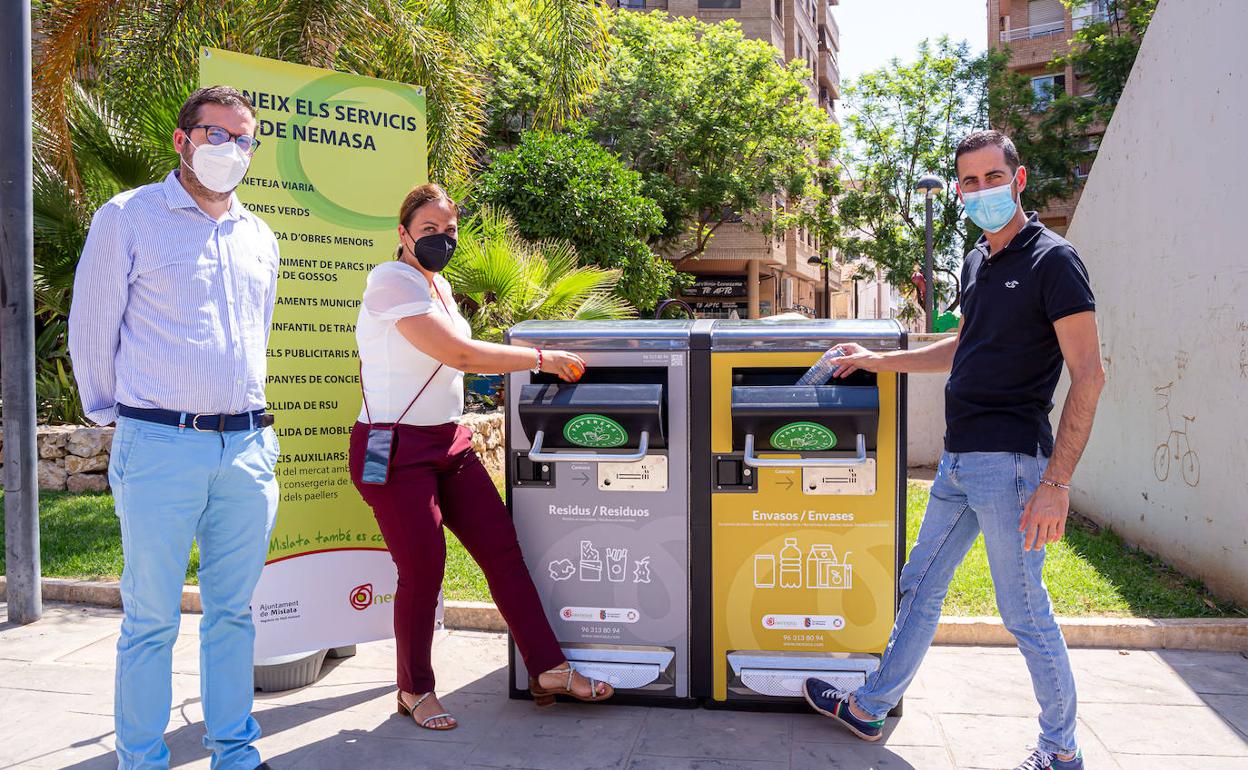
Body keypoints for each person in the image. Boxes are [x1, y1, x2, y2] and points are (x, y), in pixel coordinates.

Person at [802, 130, 1104, 770]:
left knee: (1023, 613)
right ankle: (870, 706)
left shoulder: (1054, 261)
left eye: (992, 178)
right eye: (968, 181)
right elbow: (959, 347)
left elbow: (1090, 374)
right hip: (960, 459)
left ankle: (1061, 750)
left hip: (1014, 464)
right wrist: (881, 361)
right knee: (920, 587)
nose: (980, 190)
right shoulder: (975, 261)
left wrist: (1056, 482)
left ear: (1018, 181)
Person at [348, 183, 613, 731]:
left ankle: (549, 669)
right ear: (402, 234)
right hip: (393, 447)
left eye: (449, 231)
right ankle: (413, 689)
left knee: (503, 552)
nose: (442, 240)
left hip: (449, 441)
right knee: (423, 571)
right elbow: (460, 355)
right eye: (429, 231)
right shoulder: (390, 280)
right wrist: (541, 358)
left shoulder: (438, 284)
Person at [68, 86, 279, 770]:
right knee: (151, 622)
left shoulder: (258, 235)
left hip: (247, 447)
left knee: (233, 615)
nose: (230, 150)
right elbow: (91, 328)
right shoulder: (128, 218)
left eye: (243, 139)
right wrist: (119, 417)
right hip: (160, 443)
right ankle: (141, 760)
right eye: (216, 135)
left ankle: (235, 752)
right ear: (182, 140)